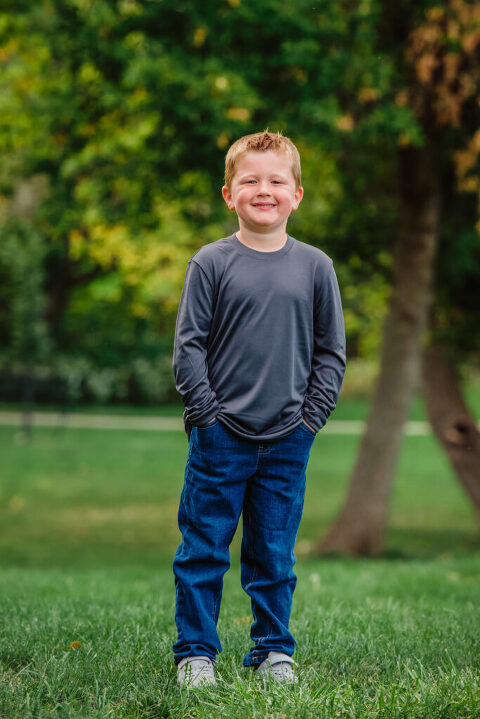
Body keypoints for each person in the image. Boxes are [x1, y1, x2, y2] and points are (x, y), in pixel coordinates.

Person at [172, 130, 346, 687]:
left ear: (297, 195)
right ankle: (195, 653)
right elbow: (188, 347)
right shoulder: (211, 262)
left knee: (274, 552)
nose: (263, 190)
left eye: (276, 181)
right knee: (203, 549)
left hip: (288, 437)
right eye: (250, 180)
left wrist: (309, 420)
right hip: (219, 436)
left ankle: (273, 651)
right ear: (229, 195)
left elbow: (331, 352)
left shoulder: (316, 267)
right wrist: (206, 415)